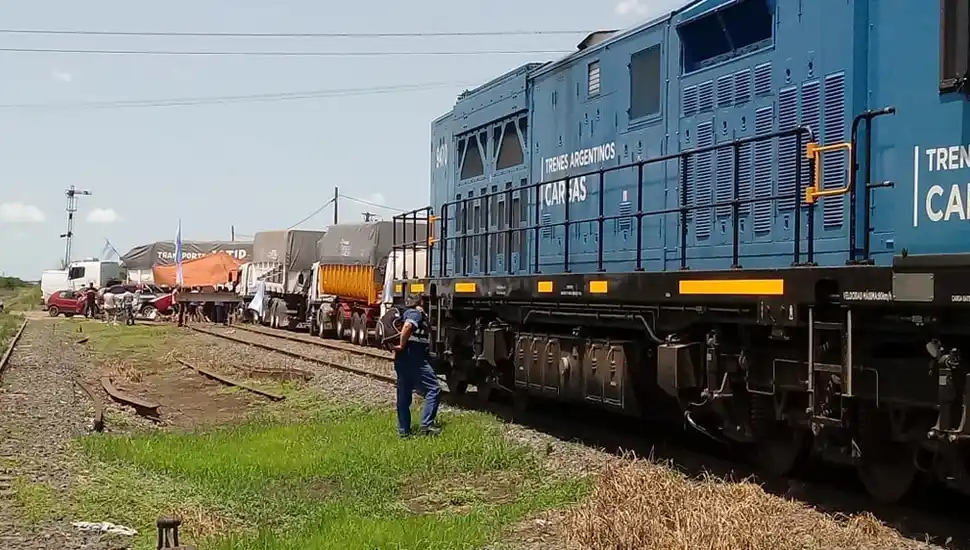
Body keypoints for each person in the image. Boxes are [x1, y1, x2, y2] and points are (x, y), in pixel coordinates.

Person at [392, 295, 441, 437]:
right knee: (434, 389)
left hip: (402, 359)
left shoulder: (404, 313)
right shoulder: (415, 314)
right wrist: (402, 344)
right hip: (415, 358)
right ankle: (426, 425)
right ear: (419, 303)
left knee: (404, 395)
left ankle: (403, 431)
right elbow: (408, 326)